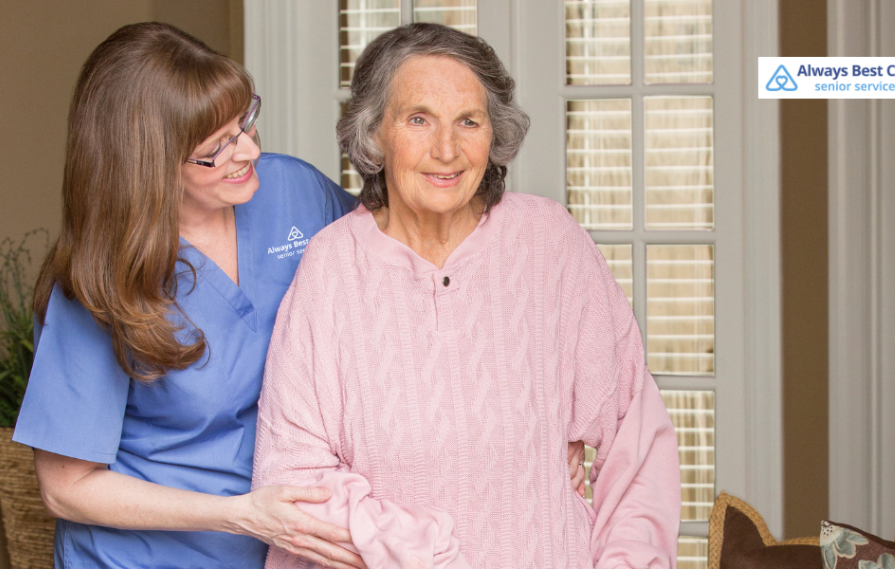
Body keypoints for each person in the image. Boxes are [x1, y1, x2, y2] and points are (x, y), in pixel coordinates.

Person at [253, 22, 682, 569]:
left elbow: (635, 438)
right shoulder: (332, 266)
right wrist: (421, 550)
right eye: (418, 119)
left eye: (468, 121)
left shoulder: (548, 241)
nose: (447, 150)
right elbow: (292, 476)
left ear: (493, 133)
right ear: (374, 133)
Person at [11, 22, 367, 569]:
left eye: (244, 122)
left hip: (277, 548)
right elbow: (67, 488)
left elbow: (393, 263)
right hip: (142, 558)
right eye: (214, 148)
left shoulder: (294, 191)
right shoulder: (99, 280)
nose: (248, 149)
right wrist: (242, 514)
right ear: (147, 164)